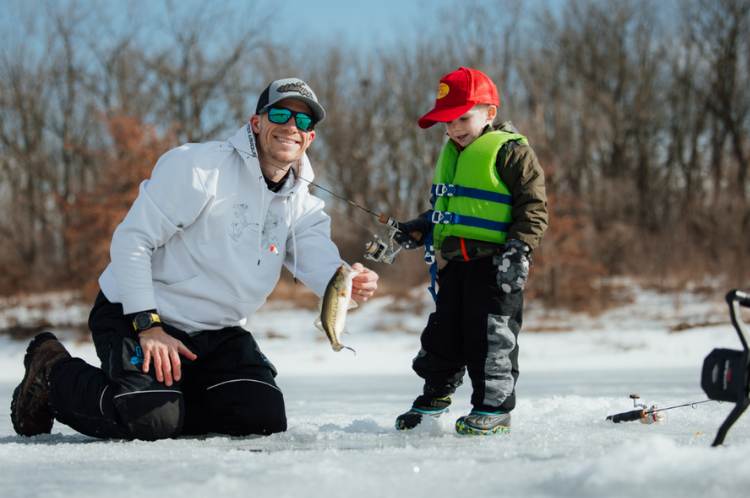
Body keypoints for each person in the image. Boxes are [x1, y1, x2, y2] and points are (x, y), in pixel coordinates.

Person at [10, 77, 379, 440]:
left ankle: (169, 400)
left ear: (310, 137)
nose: (291, 127)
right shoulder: (201, 168)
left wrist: (349, 279)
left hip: (218, 333)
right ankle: (52, 372)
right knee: (150, 421)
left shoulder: (303, 204)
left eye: (303, 121)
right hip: (140, 314)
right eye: (281, 114)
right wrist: (148, 324)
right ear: (257, 122)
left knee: (259, 419)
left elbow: (319, 261)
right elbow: (132, 241)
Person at [393, 67, 548, 435]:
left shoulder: (512, 152)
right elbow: (451, 212)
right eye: (447, 122)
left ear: (489, 113)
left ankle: (493, 407)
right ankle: (435, 397)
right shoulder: (454, 154)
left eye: (463, 118)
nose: (455, 129)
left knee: (491, 337)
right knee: (443, 334)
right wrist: (420, 227)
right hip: (456, 266)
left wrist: (519, 249)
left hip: (496, 266)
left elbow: (534, 207)